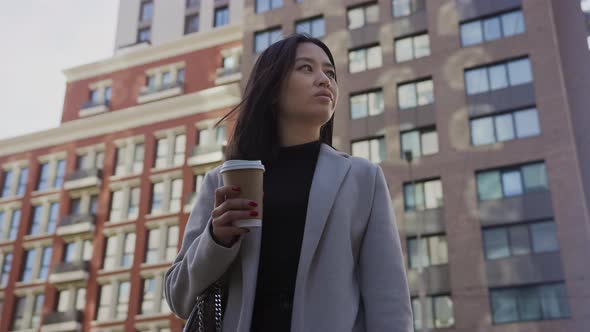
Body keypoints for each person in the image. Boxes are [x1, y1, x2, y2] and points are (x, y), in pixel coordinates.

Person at [164, 33, 413, 332]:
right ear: (271, 88)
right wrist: (216, 240)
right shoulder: (222, 180)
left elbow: (388, 299)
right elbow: (178, 296)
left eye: (329, 72)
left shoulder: (363, 178)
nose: (324, 80)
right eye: (306, 68)